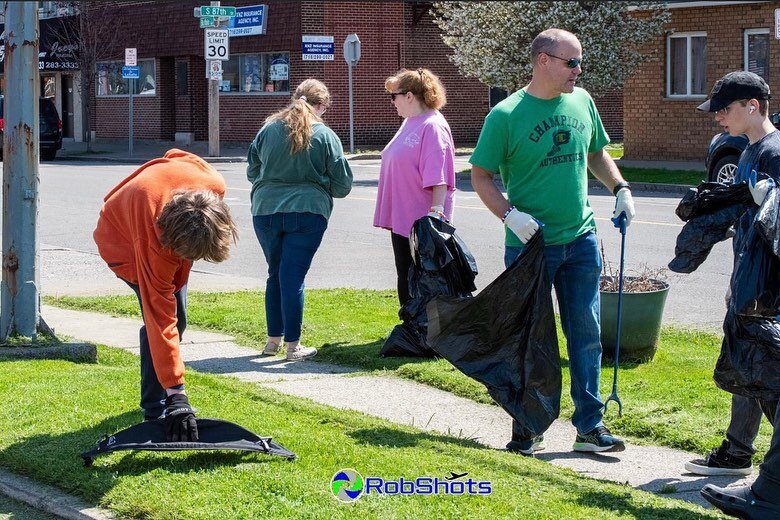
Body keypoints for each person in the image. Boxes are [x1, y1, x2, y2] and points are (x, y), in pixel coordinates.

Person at [469, 28, 635, 455]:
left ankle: (589, 427)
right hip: (530, 247)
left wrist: (619, 188)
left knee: (586, 333)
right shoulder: (505, 115)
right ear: (543, 60)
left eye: (579, 62)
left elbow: (597, 153)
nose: (578, 70)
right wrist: (509, 214)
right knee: (531, 338)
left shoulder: (582, 101)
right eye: (571, 62)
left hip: (580, 239)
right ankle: (528, 425)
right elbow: (481, 177)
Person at [93, 149, 238, 442]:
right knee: (162, 319)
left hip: (163, 221)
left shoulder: (214, 183)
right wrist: (178, 394)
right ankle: (156, 407)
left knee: (177, 320)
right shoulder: (151, 243)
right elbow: (161, 317)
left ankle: (161, 395)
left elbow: (175, 154)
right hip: (122, 241)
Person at [691, 71, 780, 518]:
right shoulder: (747, 152)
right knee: (756, 372)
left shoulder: (775, 153)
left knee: (768, 378)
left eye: (724, 110)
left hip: (771, 294)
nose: (718, 119)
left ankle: (764, 482)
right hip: (750, 284)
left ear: (752, 105)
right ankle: (742, 456)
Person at [247, 79, 353, 361]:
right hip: (308, 210)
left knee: (275, 274)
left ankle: (273, 342)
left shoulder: (268, 129)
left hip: (266, 209)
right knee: (293, 277)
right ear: (321, 105)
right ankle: (293, 346)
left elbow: (252, 171)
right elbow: (343, 185)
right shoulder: (325, 135)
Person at [374, 68, 456, 306]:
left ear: (409, 95)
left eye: (394, 96)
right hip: (404, 218)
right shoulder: (412, 121)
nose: (392, 103)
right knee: (407, 275)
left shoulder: (432, 126)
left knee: (422, 279)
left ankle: (422, 332)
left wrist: (434, 219)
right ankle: (412, 327)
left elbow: (439, 177)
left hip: (421, 222)